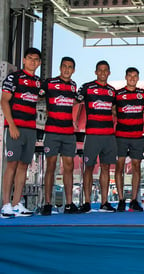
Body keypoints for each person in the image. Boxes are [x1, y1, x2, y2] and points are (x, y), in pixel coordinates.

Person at [1, 47, 42, 218]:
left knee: (24, 166)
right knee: (11, 164)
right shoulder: (14, 77)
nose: (33, 61)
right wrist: (11, 125)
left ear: (39, 63)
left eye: (36, 59)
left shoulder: (38, 82)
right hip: (14, 128)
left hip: (30, 129)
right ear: (24, 60)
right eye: (30, 58)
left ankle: (17, 204)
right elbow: (4, 101)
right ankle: (5, 206)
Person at [40, 57, 80, 215]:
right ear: (60, 67)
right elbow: (38, 96)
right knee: (51, 166)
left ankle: (69, 204)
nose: (67, 69)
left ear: (73, 70)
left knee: (69, 167)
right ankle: (48, 203)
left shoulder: (73, 85)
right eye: (64, 66)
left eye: (70, 67)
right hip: (52, 131)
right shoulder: (49, 83)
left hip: (68, 132)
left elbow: (73, 102)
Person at [77, 60, 117, 213]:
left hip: (108, 135)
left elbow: (115, 111)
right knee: (89, 167)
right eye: (99, 70)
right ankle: (87, 202)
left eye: (105, 70)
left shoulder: (112, 91)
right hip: (92, 135)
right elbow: (73, 101)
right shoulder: (87, 87)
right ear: (95, 72)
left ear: (109, 72)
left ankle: (104, 202)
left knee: (106, 168)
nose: (102, 73)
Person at [114, 67, 144, 212]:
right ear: (126, 77)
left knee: (136, 168)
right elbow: (113, 110)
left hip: (137, 137)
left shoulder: (142, 94)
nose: (132, 78)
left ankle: (133, 200)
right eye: (130, 76)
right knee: (119, 167)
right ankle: (121, 200)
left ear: (138, 78)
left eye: (135, 76)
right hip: (121, 135)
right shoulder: (119, 94)